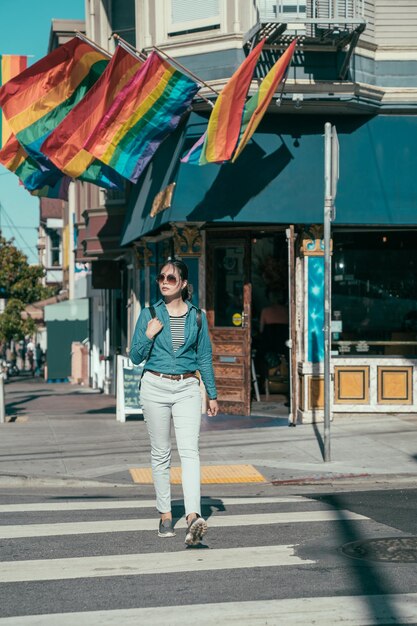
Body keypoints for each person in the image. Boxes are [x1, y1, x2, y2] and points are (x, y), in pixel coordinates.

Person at [130, 258, 218, 546]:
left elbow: (204, 356)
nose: (164, 282)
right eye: (161, 278)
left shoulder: (197, 316)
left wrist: (212, 394)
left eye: (170, 278)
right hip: (154, 385)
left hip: (187, 387)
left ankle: (193, 516)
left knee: (190, 452)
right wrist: (148, 334)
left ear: (183, 284)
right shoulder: (149, 314)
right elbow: (135, 356)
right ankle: (166, 514)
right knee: (161, 453)